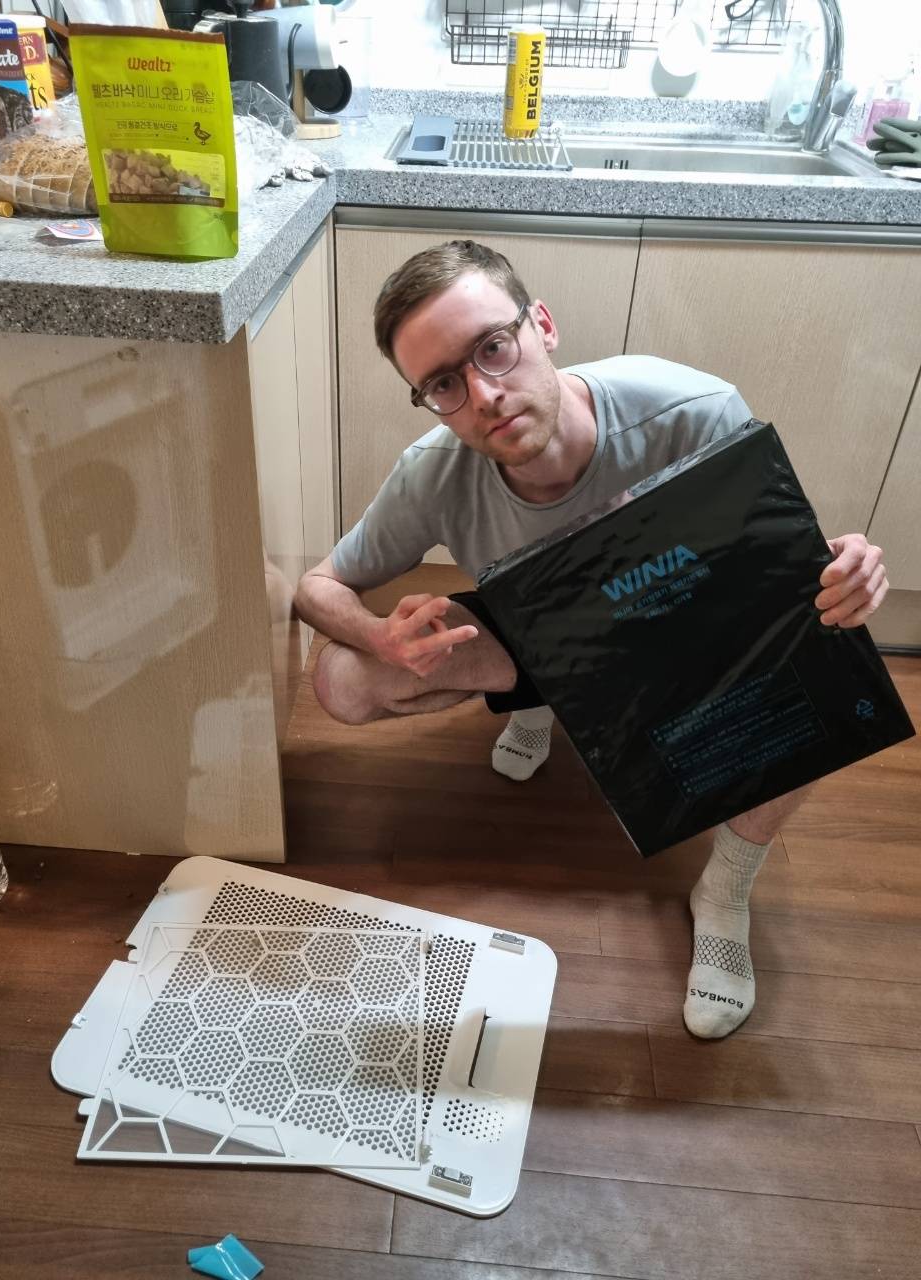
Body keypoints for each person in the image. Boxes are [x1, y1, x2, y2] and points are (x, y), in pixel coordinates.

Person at [294, 239, 889, 1039]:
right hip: (544, 635)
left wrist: (845, 570)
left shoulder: (689, 411)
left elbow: (781, 562)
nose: (484, 394)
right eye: (443, 383)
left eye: (493, 349)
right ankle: (534, 708)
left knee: (823, 652)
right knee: (342, 679)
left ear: (541, 325)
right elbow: (315, 586)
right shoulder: (431, 473)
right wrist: (383, 637)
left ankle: (725, 887)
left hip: (684, 617)